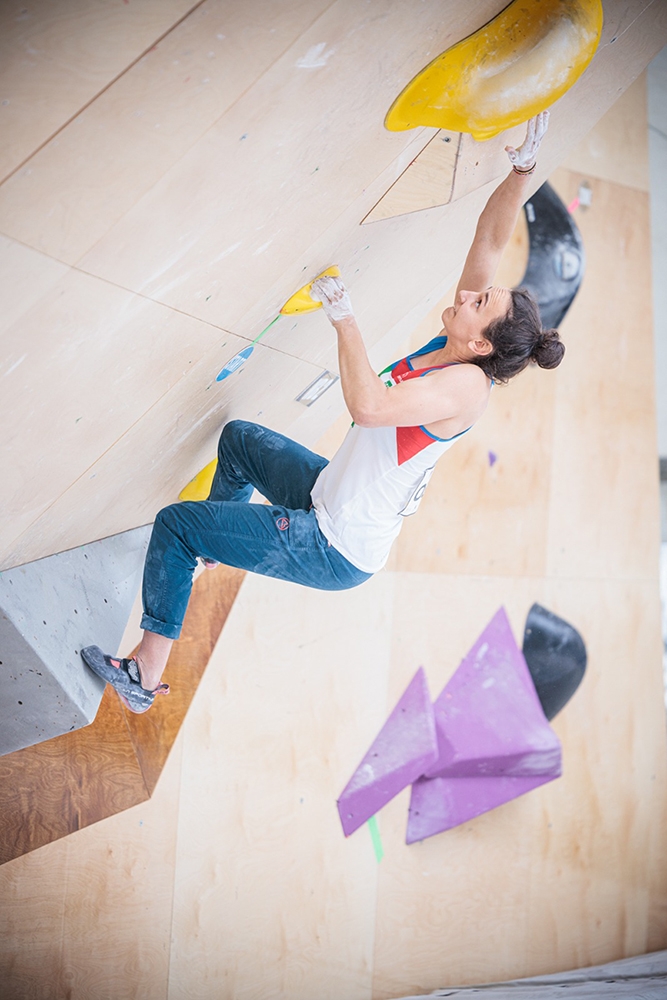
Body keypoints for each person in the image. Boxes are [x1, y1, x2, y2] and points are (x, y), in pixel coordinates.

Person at [82, 111, 564, 713]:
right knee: (237, 440)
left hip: (330, 545)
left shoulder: (467, 387)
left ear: (482, 344)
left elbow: (368, 407)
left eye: (479, 302)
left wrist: (344, 316)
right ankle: (210, 549)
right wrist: (522, 171)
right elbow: (489, 242)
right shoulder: (458, 340)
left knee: (175, 524)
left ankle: (144, 677)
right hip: (326, 495)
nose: (466, 295)